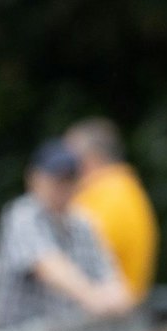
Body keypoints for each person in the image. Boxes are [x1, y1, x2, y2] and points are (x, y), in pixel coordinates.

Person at [0, 139, 133, 329]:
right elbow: (48, 266)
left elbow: (115, 284)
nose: (63, 188)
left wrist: (111, 297)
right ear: (34, 178)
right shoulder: (22, 216)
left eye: (69, 179)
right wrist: (94, 297)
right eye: (56, 179)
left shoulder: (82, 222)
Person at [65, 117, 159, 301]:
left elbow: (79, 256)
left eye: (67, 158)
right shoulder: (123, 188)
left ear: (89, 159)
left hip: (108, 315)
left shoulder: (109, 196)